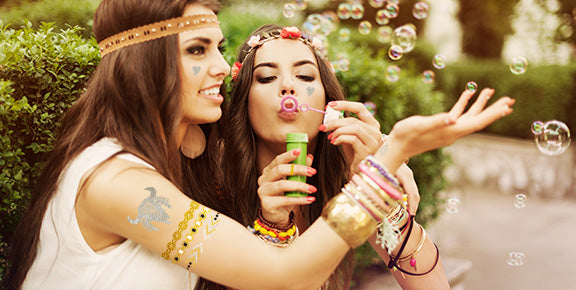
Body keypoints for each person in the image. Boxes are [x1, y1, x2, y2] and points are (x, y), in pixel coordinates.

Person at [4, 0, 515, 289]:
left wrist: (385, 190)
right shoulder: (123, 186)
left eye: (221, 50)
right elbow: (283, 274)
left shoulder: (178, 160)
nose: (224, 70)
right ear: (145, 64)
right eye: (198, 50)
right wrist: (392, 155)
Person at [220, 24, 515, 289]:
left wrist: (376, 181)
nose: (288, 86)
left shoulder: (344, 179)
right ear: (244, 98)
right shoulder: (213, 177)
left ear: (328, 100)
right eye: (268, 76)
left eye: (305, 75)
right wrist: (272, 225)